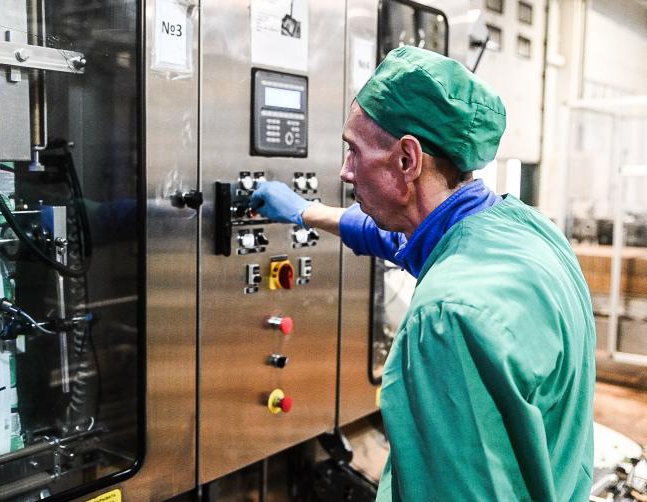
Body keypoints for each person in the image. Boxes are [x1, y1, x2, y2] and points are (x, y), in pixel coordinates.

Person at [251, 46, 595, 501]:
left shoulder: (447, 318)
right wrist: (305, 211)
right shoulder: (526, 231)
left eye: (354, 151)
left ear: (407, 160)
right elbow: (407, 237)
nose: (345, 172)